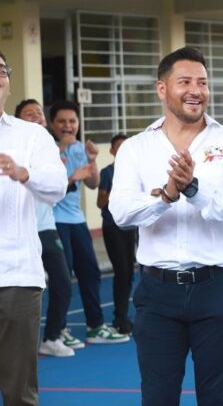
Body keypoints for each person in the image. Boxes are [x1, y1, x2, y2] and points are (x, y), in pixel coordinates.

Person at [110, 46, 223, 406]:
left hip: (218, 287)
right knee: (157, 397)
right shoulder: (136, 148)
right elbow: (121, 213)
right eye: (185, 81)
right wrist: (166, 197)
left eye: (202, 82)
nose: (196, 90)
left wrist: (193, 189)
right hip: (158, 293)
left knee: (216, 397)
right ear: (162, 89)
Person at [0, 54, 68, 406]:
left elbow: (57, 186)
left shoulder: (32, 136)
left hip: (16, 275)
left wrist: (24, 174)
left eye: (1, 69)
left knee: (19, 390)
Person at [49, 100, 130, 346]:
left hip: (77, 219)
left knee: (90, 272)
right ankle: (58, 329)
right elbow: (50, 189)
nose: (67, 126)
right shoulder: (48, 150)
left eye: (72, 121)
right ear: (53, 124)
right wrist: (69, 169)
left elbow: (93, 184)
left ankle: (95, 326)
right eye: (62, 121)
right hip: (55, 220)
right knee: (63, 276)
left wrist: (93, 160)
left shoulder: (79, 149)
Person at [15, 99, 75, 357]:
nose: (37, 117)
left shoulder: (47, 147)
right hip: (20, 228)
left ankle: (51, 336)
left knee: (62, 281)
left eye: (40, 113)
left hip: (46, 226)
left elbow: (59, 187)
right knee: (19, 291)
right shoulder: (15, 146)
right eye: (30, 114)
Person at [97, 134, 137, 334]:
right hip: (113, 226)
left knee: (130, 271)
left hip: (131, 226)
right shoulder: (107, 172)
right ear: (112, 151)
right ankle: (119, 318)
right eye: (118, 147)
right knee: (122, 271)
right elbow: (100, 202)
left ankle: (125, 314)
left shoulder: (137, 173)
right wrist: (118, 191)